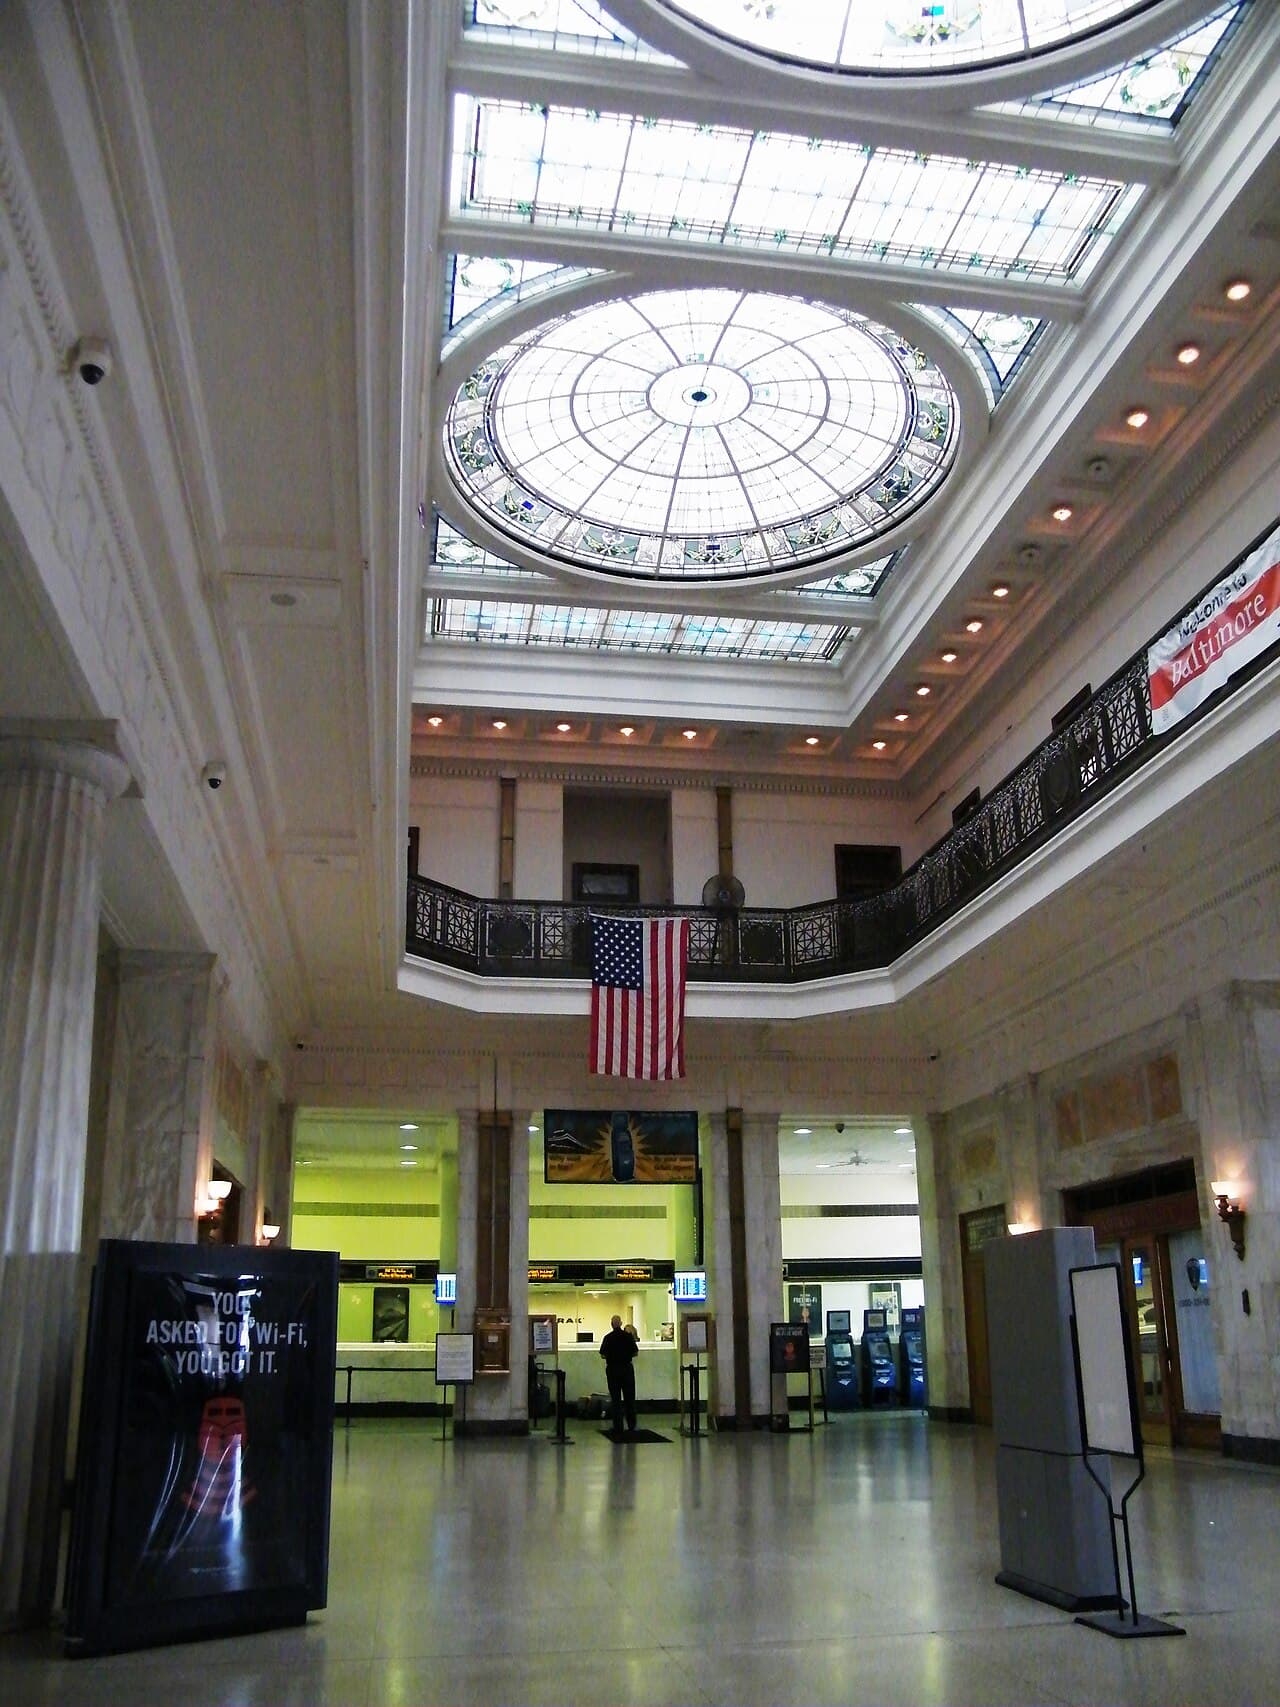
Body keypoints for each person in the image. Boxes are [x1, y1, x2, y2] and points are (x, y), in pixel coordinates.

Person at [599, 1314, 638, 1436]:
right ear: (621, 1324)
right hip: (627, 1369)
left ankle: (618, 1426)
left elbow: (603, 1354)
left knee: (616, 1399)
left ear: (611, 1324)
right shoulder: (628, 1337)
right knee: (629, 1398)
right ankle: (631, 1425)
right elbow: (635, 1353)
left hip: (613, 1370)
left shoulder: (608, 1338)